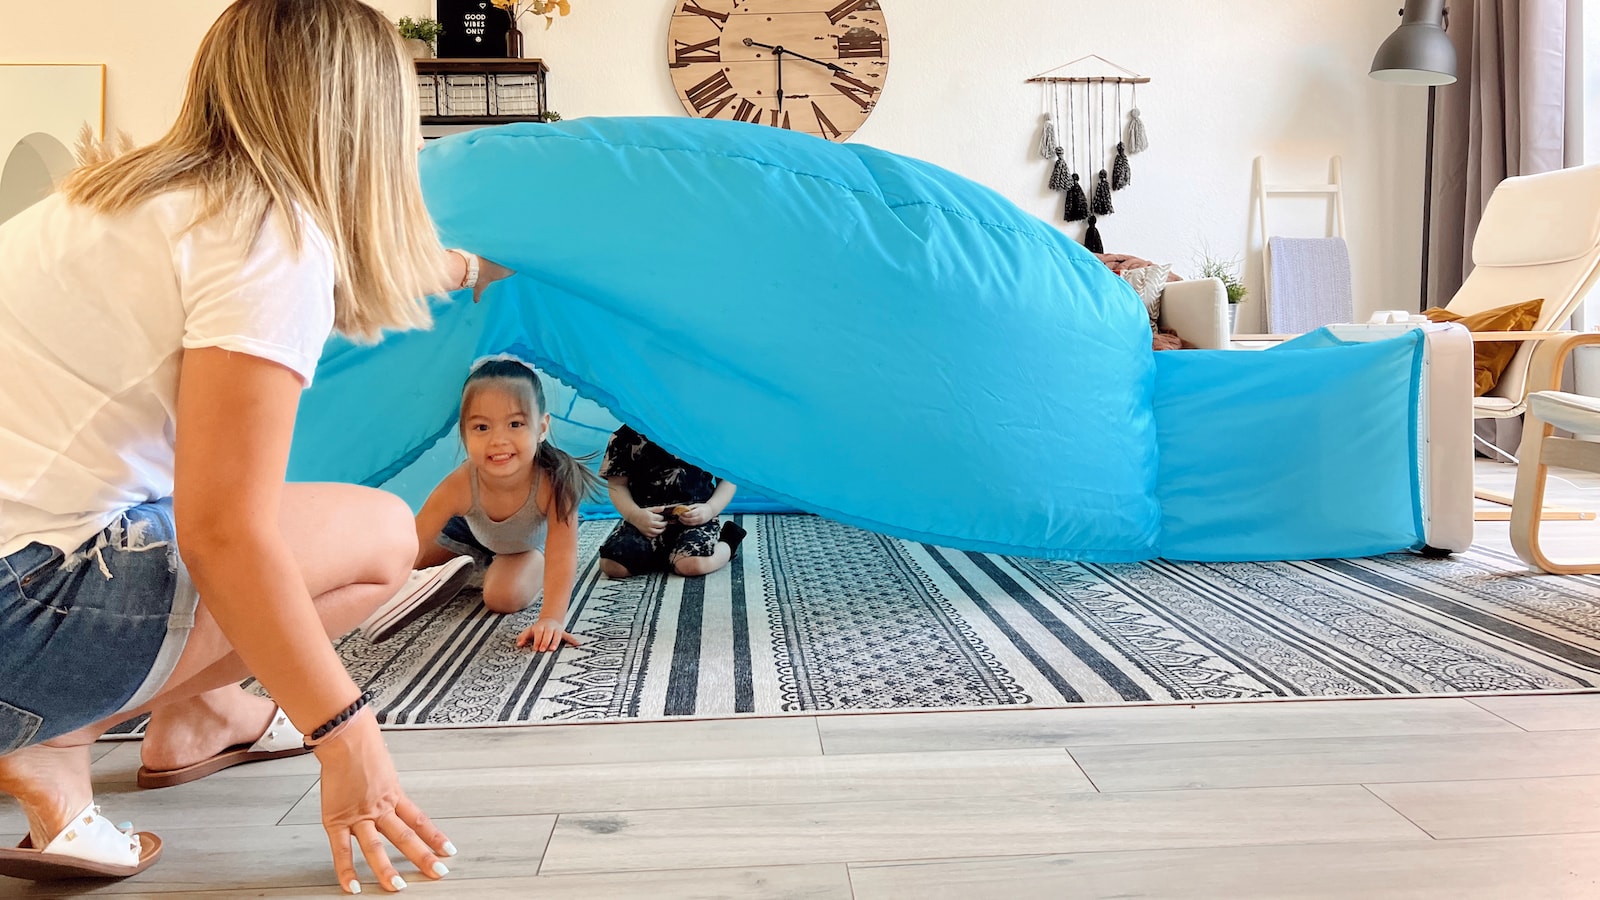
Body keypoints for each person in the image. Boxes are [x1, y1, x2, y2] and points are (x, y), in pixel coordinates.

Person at [0, 0, 509, 891]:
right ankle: (59, 733)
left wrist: (469, 267)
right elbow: (223, 533)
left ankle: (199, 718)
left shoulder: (111, 200)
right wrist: (346, 736)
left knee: (170, 493)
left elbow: (359, 261)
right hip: (19, 619)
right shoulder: (265, 236)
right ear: (367, 114)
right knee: (379, 534)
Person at [384, 358, 600, 652]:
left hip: (523, 546)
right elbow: (417, 536)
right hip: (468, 533)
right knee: (398, 564)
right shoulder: (460, 483)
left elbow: (562, 554)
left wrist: (551, 618)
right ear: (464, 432)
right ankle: (468, 566)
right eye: (482, 427)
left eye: (515, 424)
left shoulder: (555, 482)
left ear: (541, 427)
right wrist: (387, 591)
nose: (498, 440)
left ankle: (509, 568)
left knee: (502, 597)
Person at [598, 425, 747, 579]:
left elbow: (728, 481)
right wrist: (634, 515)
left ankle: (728, 542)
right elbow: (617, 485)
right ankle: (659, 555)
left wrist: (710, 509)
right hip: (645, 521)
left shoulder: (708, 433)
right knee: (612, 566)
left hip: (695, 520)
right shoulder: (626, 436)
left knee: (692, 565)